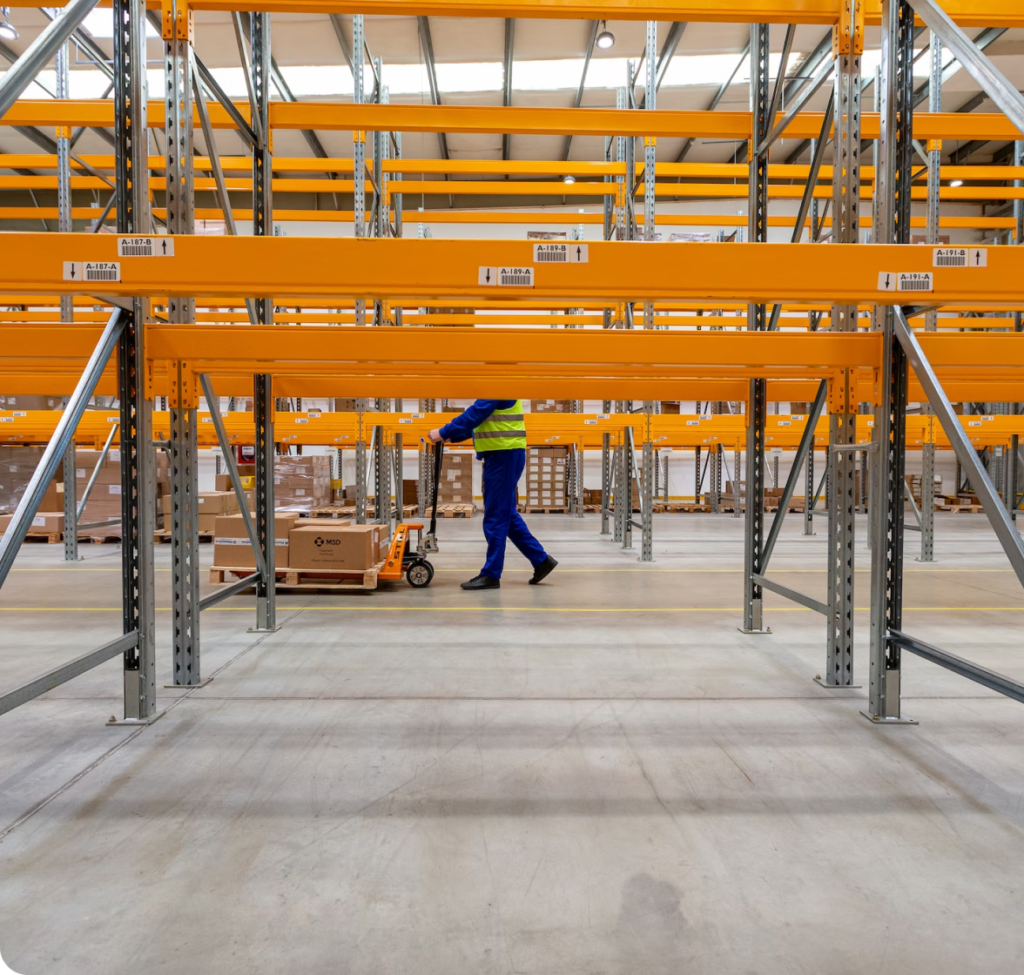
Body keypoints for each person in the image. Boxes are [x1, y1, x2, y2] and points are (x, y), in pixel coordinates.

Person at [429, 400, 557, 590]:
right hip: (504, 453)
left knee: (496, 516)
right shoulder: (498, 382)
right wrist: (452, 436)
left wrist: (444, 432)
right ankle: (541, 560)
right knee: (507, 514)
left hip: (503, 454)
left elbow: (475, 414)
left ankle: (491, 574)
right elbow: (481, 423)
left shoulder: (497, 380)